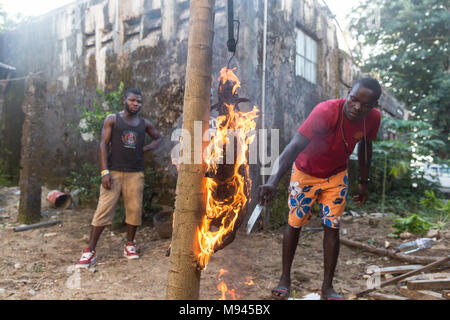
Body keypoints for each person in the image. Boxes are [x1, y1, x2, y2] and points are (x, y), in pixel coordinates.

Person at [258, 77, 382, 300]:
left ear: (374, 106)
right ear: (348, 92)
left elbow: (365, 147)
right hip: (305, 173)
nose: (357, 107)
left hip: (336, 175)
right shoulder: (325, 111)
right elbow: (294, 146)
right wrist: (272, 181)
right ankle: (284, 279)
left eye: (366, 105)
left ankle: (328, 288)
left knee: (332, 227)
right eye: (353, 100)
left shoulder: (373, 118)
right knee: (294, 224)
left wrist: (364, 183)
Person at [76, 88, 162, 268]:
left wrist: (144, 149)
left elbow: (158, 138)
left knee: (134, 209)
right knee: (103, 210)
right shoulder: (113, 119)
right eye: (132, 100)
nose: (135, 104)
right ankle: (89, 251)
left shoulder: (144, 124)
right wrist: (104, 172)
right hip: (113, 172)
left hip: (135, 173)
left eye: (138, 101)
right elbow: (103, 144)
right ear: (125, 100)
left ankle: (130, 245)